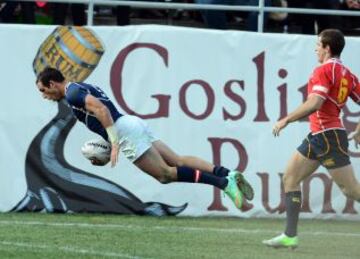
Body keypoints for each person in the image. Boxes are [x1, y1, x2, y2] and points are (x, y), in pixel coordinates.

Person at [35, 67, 254, 210]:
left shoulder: (72, 94)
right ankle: (228, 173)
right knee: (177, 160)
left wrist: (113, 144)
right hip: (130, 123)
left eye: (44, 90)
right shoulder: (80, 87)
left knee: (166, 174)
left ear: (53, 83)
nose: (44, 96)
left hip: (124, 132)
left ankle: (223, 183)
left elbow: (101, 110)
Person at [262, 29, 360, 249]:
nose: (315, 48)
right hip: (319, 136)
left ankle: (289, 235)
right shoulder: (347, 73)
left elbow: (315, 102)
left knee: (351, 190)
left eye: (318, 45)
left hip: (328, 136)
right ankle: (290, 236)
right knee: (290, 178)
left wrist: (286, 119)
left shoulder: (324, 70)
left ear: (327, 48)